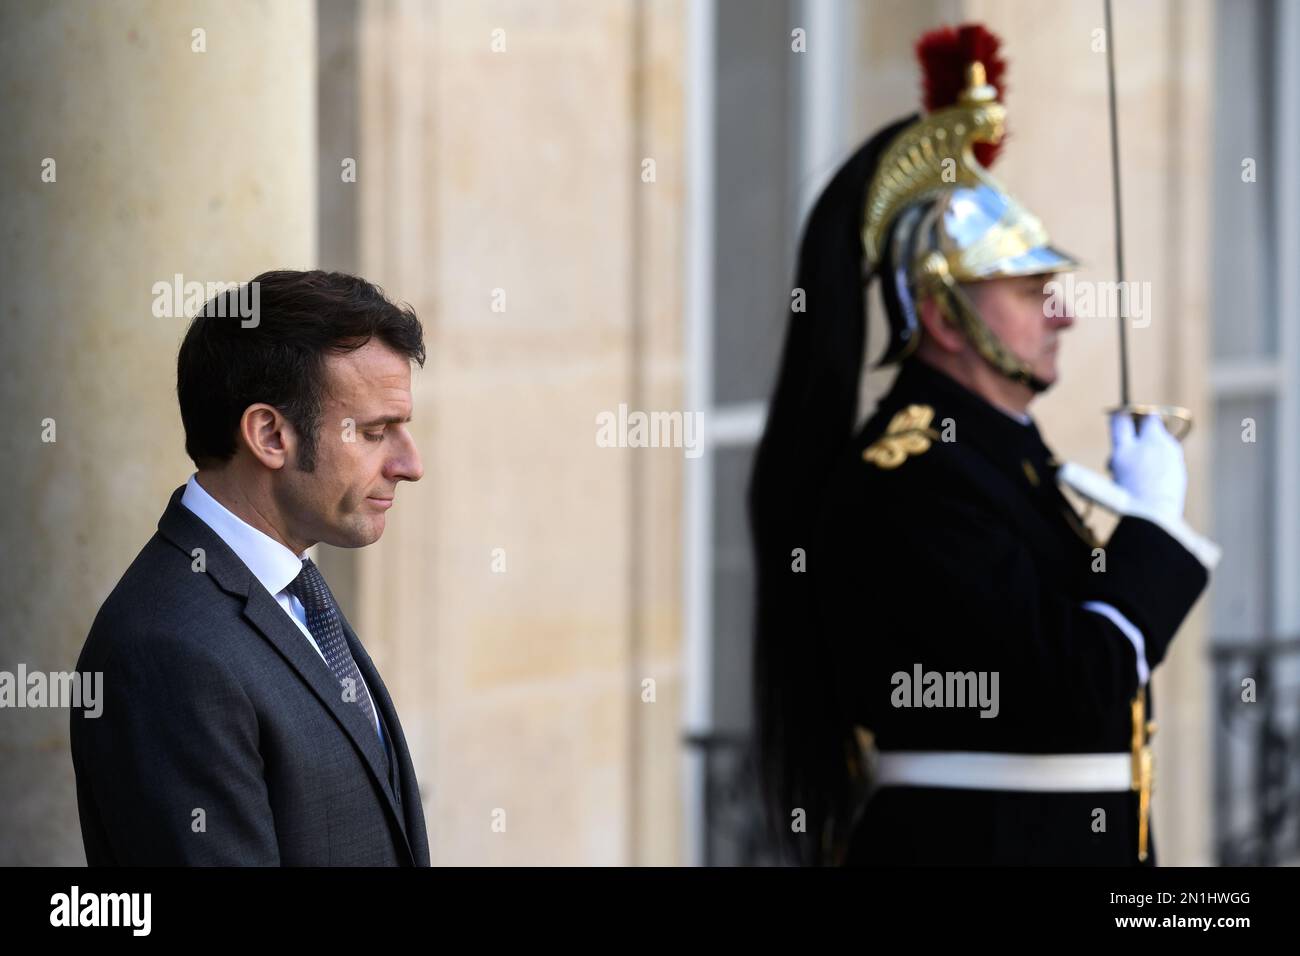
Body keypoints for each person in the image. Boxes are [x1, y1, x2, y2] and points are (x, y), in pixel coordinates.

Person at [749, 25, 1218, 865]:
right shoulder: (913, 476)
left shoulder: (999, 457)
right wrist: (1154, 533)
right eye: (1033, 290)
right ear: (941, 316)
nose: (1063, 312)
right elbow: (1079, 681)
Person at [71, 269, 431, 865]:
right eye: (373, 432)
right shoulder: (165, 648)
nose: (410, 464)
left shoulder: (290, 586)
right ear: (269, 433)